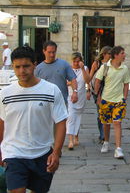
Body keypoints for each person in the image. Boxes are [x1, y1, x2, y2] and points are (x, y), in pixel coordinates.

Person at [0, 46, 67, 193]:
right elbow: (1, 123)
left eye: (26, 66)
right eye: (17, 67)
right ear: (13, 66)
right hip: (14, 153)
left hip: (42, 153)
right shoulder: (5, 94)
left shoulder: (51, 90)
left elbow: (61, 122)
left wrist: (56, 152)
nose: (22, 71)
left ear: (35, 64)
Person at [95, 46, 130, 159]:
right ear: (116, 55)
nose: (124, 55)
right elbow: (97, 82)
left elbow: (126, 84)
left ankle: (118, 149)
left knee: (117, 122)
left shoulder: (124, 68)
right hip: (106, 99)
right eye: (122, 53)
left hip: (119, 101)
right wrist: (98, 97)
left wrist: (124, 98)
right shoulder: (105, 67)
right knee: (106, 123)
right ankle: (106, 142)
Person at [35, 41, 77, 106]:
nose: (52, 55)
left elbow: (73, 79)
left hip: (61, 102)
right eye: (49, 52)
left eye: (53, 52)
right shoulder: (38, 69)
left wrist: (75, 92)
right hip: (45, 103)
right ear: (44, 51)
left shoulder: (64, 64)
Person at [66, 52, 91, 150]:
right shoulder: (68, 69)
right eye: (74, 61)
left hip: (81, 96)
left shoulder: (84, 68)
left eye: (78, 61)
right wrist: (71, 83)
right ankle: (70, 140)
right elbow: (65, 81)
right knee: (71, 117)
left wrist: (82, 69)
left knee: (77, 117)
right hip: (70, 95)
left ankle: (76, 136)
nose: (76, 63)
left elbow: (88, 80)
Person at [89, 46, 112, 143]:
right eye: (109, 54)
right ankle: (102, 135)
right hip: (97, 90)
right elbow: (90, 77)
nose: (111, 55)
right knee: (100, 113)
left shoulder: (111, 64)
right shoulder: (97, 63)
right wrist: (88, 90)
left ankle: (104, 135)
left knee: (106, 113)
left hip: (107, 90)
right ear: (104, 54)